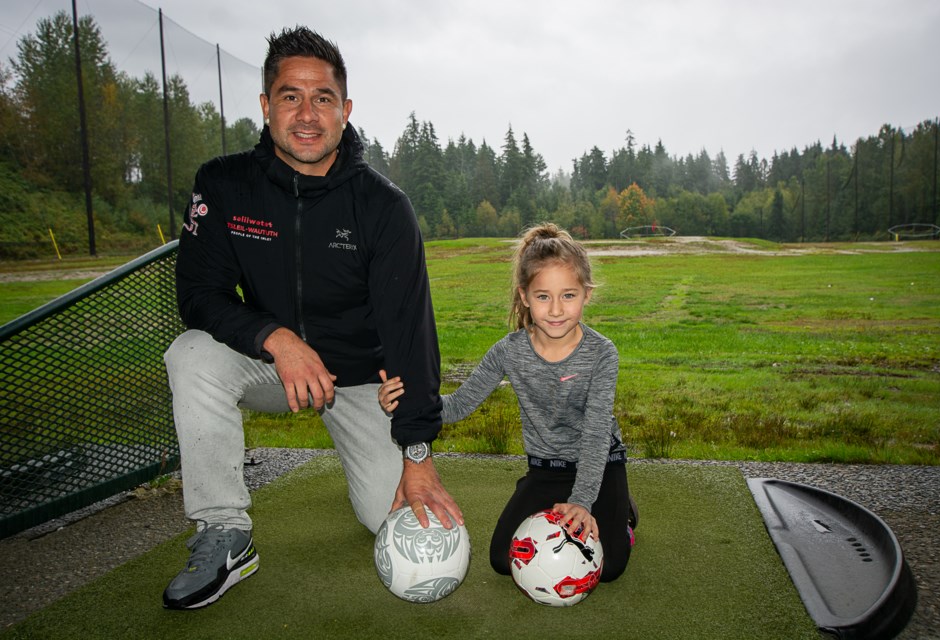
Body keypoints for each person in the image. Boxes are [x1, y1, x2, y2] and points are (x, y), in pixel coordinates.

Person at [162, 26, 462, 610]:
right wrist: (275, 338)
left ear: (344, 111)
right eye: (290, 95)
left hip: (359, 384)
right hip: (273, 365)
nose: (306, 113)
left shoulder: (383, 205)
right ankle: (224, 530)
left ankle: (368, 469)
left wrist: (418, 454)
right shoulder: (224, 185)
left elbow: (411, 334)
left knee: (393, 519)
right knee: (191, 353)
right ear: (266, 105)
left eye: (322, 98)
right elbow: (199, 294)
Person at [379, 223, 635, 584]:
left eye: (569, 295)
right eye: (544, 296)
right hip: (546, 468)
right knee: (503, 559)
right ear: (525, 296)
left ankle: (623, 513)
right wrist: (404, 402)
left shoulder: (602, 354)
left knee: (608, 568)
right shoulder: (509, 350)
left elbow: (595, 434)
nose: (557, 309)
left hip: (600, 465)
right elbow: (455, 407)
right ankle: (540, 495)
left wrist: (582, 500)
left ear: (587, 294)